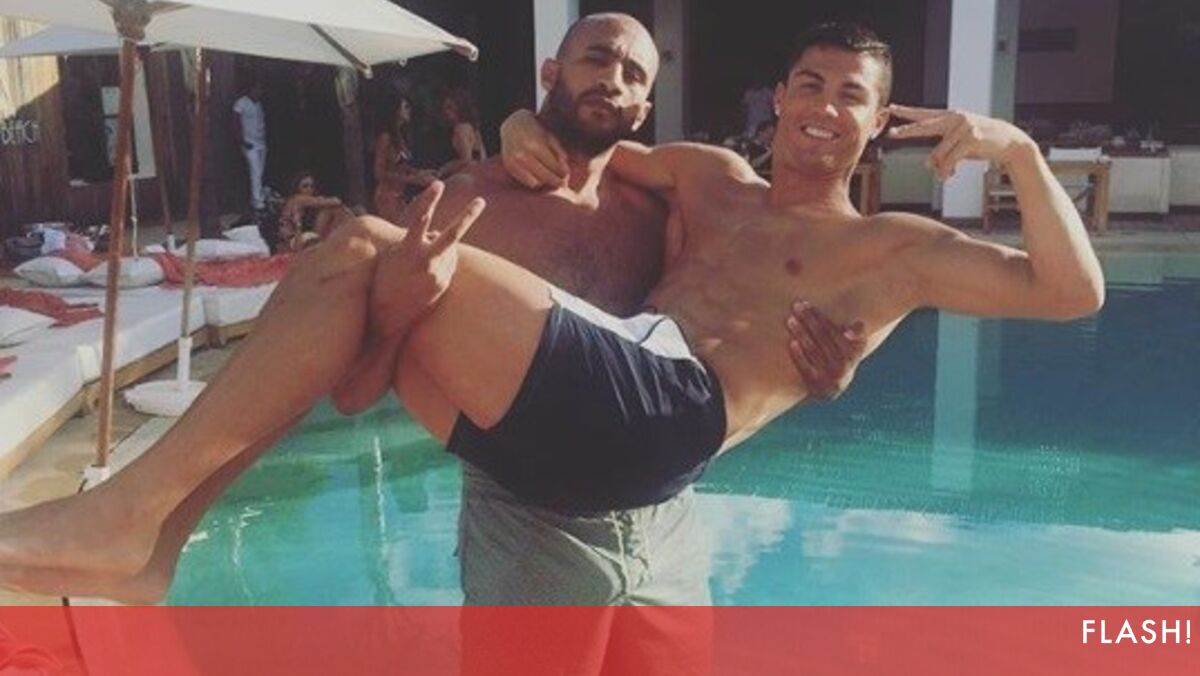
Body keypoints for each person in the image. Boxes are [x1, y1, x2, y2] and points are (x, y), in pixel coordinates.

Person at [0, 18, 854, 674]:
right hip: (530, 526)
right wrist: (400, 306)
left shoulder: (665, 209)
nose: (614, 80)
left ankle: (138, 526)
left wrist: (826, 368)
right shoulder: (468, 200)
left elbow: (741, 318)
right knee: (360, 251)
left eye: (635, 75)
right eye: (596, 59)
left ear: (644, 110)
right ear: (551, 73)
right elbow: (354, 392)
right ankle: (141, 521)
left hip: (664, 520)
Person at [373, 98, 437, 224]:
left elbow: (400, 166)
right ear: (395, 111)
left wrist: (420, 172)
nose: (409, 110)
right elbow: (378, 172)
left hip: (400, 194)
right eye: (406, 107)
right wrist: (413, 179)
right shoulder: (385, 137)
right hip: (388, 195)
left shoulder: (399, 135)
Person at [276, 171, 344, 251]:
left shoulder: (305, 203)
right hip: (291, 241)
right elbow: (336, 201)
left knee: (333, 210)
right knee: (328, 210)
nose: (309, 189)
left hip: (299, 238)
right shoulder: (297, 199)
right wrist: (323, 199)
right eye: (305, 186)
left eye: (312, 186)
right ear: (297, 188)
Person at [232, 82, 268, 214]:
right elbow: (235, 122)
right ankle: (258, 202)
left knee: (260, 172)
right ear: (250, 89)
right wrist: (241, 140)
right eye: (256, 89)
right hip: (249, 143)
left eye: (260, 90)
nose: (259, 92)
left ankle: (257, 198)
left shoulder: (258, 104)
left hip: (261, 142)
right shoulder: (241, 103)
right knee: (255, 171)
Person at [437, 87, 487, 178]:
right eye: (444, 108)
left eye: (449, 107)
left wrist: (446, 168)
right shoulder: (472, 128)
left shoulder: (461, 129)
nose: (445, 112)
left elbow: (467, 161)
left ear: (460, 107)